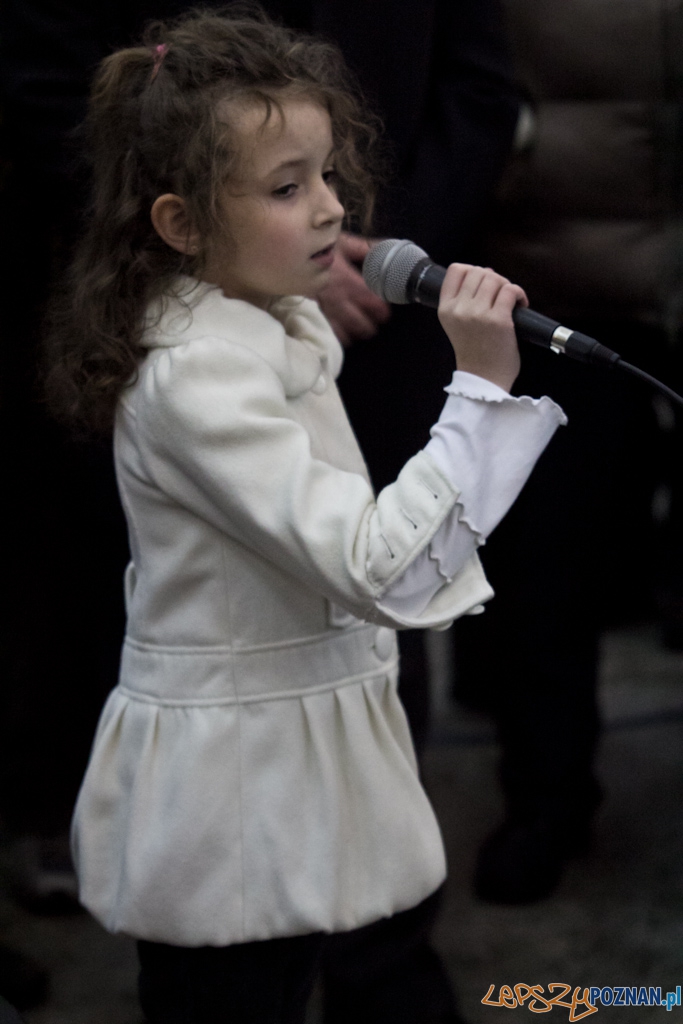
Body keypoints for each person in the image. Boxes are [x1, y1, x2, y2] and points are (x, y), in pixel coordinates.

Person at [46, 9, 564, 1022]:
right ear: (180, 224)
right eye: (288, 188)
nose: (331, 209)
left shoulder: (267, 319)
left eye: (328, 173)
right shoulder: (200, 378)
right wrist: (479, 392)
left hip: (286, 778)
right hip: (229, 816)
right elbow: (379, 566)